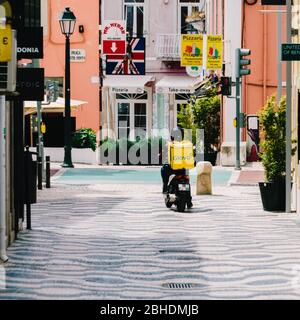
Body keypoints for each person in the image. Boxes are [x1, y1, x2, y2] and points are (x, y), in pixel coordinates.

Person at [160, 127, 184, 194]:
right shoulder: (185, 145)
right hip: (181, 168)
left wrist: (160, 156)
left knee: (164, 176)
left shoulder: (168, 144)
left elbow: (162, 154)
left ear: (172, 136)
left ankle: (165, 189)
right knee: (185, 180)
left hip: (169, 167)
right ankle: (188, 199)